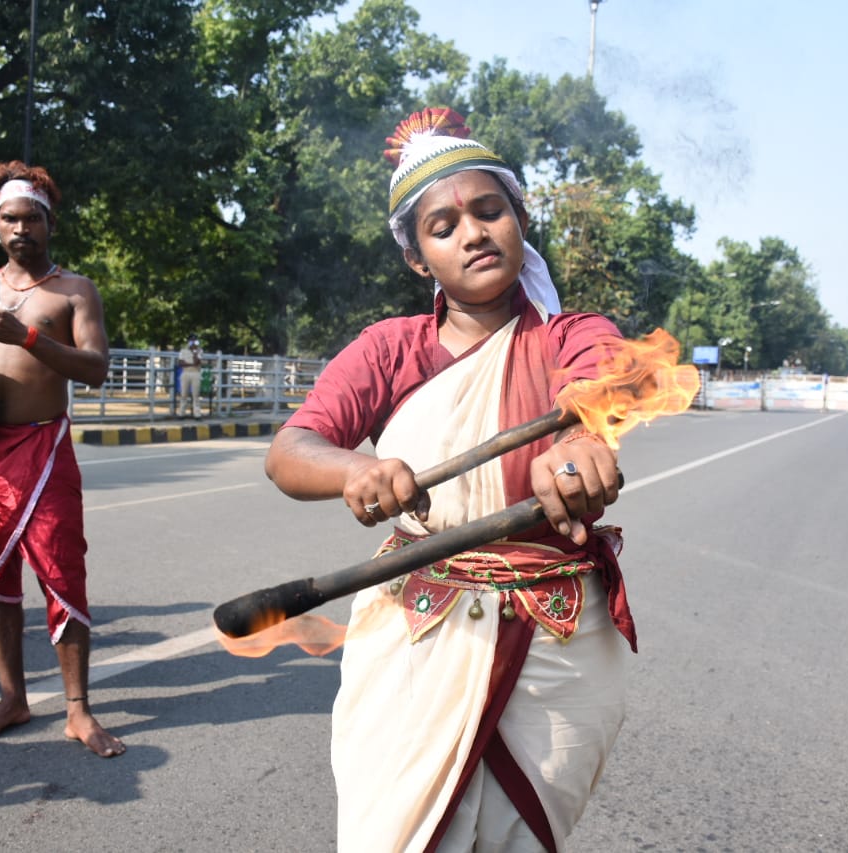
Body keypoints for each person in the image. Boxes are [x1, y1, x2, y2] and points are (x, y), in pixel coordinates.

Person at [264, 108, 637, 851]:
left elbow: (599, 392)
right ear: (417, 258)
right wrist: (357, 468)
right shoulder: (388, 349)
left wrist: (577, 444)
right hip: (415, 627)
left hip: (553, 638)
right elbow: (291, 450)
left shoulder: (573, 334)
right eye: (444, 226)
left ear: (519, 218)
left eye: (489, 211)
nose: (473, 233)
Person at [0, 161, 123, 758]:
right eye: (10, 219)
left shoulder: (74, 290)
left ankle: (78, 709)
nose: (22, 229)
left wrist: (27, 337)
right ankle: (12, 697)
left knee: (63, 574)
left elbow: (96, 368)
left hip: (44, 449)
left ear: (49, 224)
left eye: (32, 218)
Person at [177, 335, 203, 417]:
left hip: (196, 373)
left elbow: (197, 362)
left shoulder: (200, 350)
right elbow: (181, 363)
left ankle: (197, 414)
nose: (193, 342)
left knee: (196, 394)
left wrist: (195, 352)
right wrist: (191, 364)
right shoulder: (183, 350)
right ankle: (181, 413)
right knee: (183, 394)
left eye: (195, 340)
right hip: (186, 372)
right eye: (191, 341)